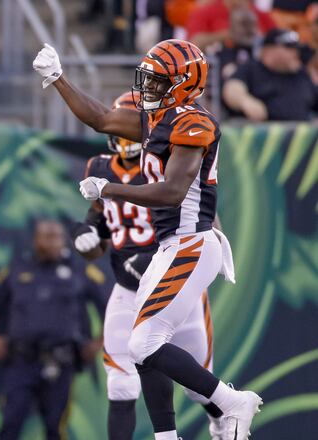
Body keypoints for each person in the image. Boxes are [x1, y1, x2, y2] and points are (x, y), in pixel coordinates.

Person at [33, 39, 262, 440]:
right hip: (170, 245)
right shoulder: (156, 118)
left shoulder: (196, 123)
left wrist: (109, 191)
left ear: (184, 83)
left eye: (157, 81)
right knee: (144, 348)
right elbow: (102, 118)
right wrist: (58, 79)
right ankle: (168, 434)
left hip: (193, 242)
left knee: (145, 342)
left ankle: (230, 402)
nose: (147, 88)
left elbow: (173, 191)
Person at [73, 92, 222, 440]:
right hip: (127, 289)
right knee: (121, 384)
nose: (125, 139)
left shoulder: (164, 158)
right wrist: (84, 235)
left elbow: (203, 216)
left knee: (197, 382)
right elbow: (97, 223)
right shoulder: (99, 167)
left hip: (170, 279)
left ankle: (224, 414)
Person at [0, 219, 103, 440]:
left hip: (61, 361)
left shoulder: (79, 270)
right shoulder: (17, 268)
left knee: (55, 427)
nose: (54, 242)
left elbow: (109, 306)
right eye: (47, 236)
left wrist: (97, 344)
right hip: (21, 360)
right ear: (36, 240)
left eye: (57, 237)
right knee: (10, 422)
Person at [223, 28, 318, 121]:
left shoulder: (301, 73)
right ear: (270, 49)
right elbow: (232, 88)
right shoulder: (252, 69)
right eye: (290, 48)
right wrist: (245, 101)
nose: (296, 53)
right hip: (262, 132)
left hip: (301, 133)